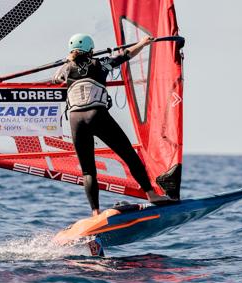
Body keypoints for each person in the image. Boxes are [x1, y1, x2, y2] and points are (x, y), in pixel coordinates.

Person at [53, 33, 174, 217]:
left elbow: (56, 80)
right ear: (91, 50)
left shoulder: (64, 69)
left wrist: (67, 62)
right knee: (129, 155)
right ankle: (151, 195)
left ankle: (95, 212)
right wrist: (142, 43)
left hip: (76, 120)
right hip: (97, 115)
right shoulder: (100, 63)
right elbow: (125, 55)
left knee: (88, 170)